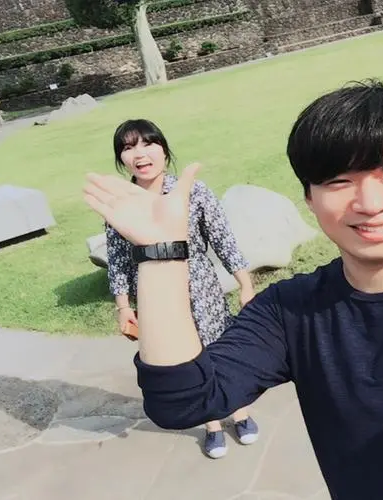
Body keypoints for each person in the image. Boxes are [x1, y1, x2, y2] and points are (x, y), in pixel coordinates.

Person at [83, 79, 383, 499]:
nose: (370, 203)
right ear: (309, 197)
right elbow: (183, 401)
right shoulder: (288, 313)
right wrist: (161, 253)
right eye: (339, 182)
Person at [104, 118, 259, 459]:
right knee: (184, 362)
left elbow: (222, 239)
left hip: (201, 289)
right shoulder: (121, 203)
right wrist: (124, 307)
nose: (139, 154)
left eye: (148, 143)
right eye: (128, 148)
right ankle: (212, 424)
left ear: (164, 149)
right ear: (121, 159)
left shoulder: (193, 190)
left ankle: (240, 412)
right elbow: (117, 261)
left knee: (219, 352)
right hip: (156, 296)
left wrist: (245, 284)